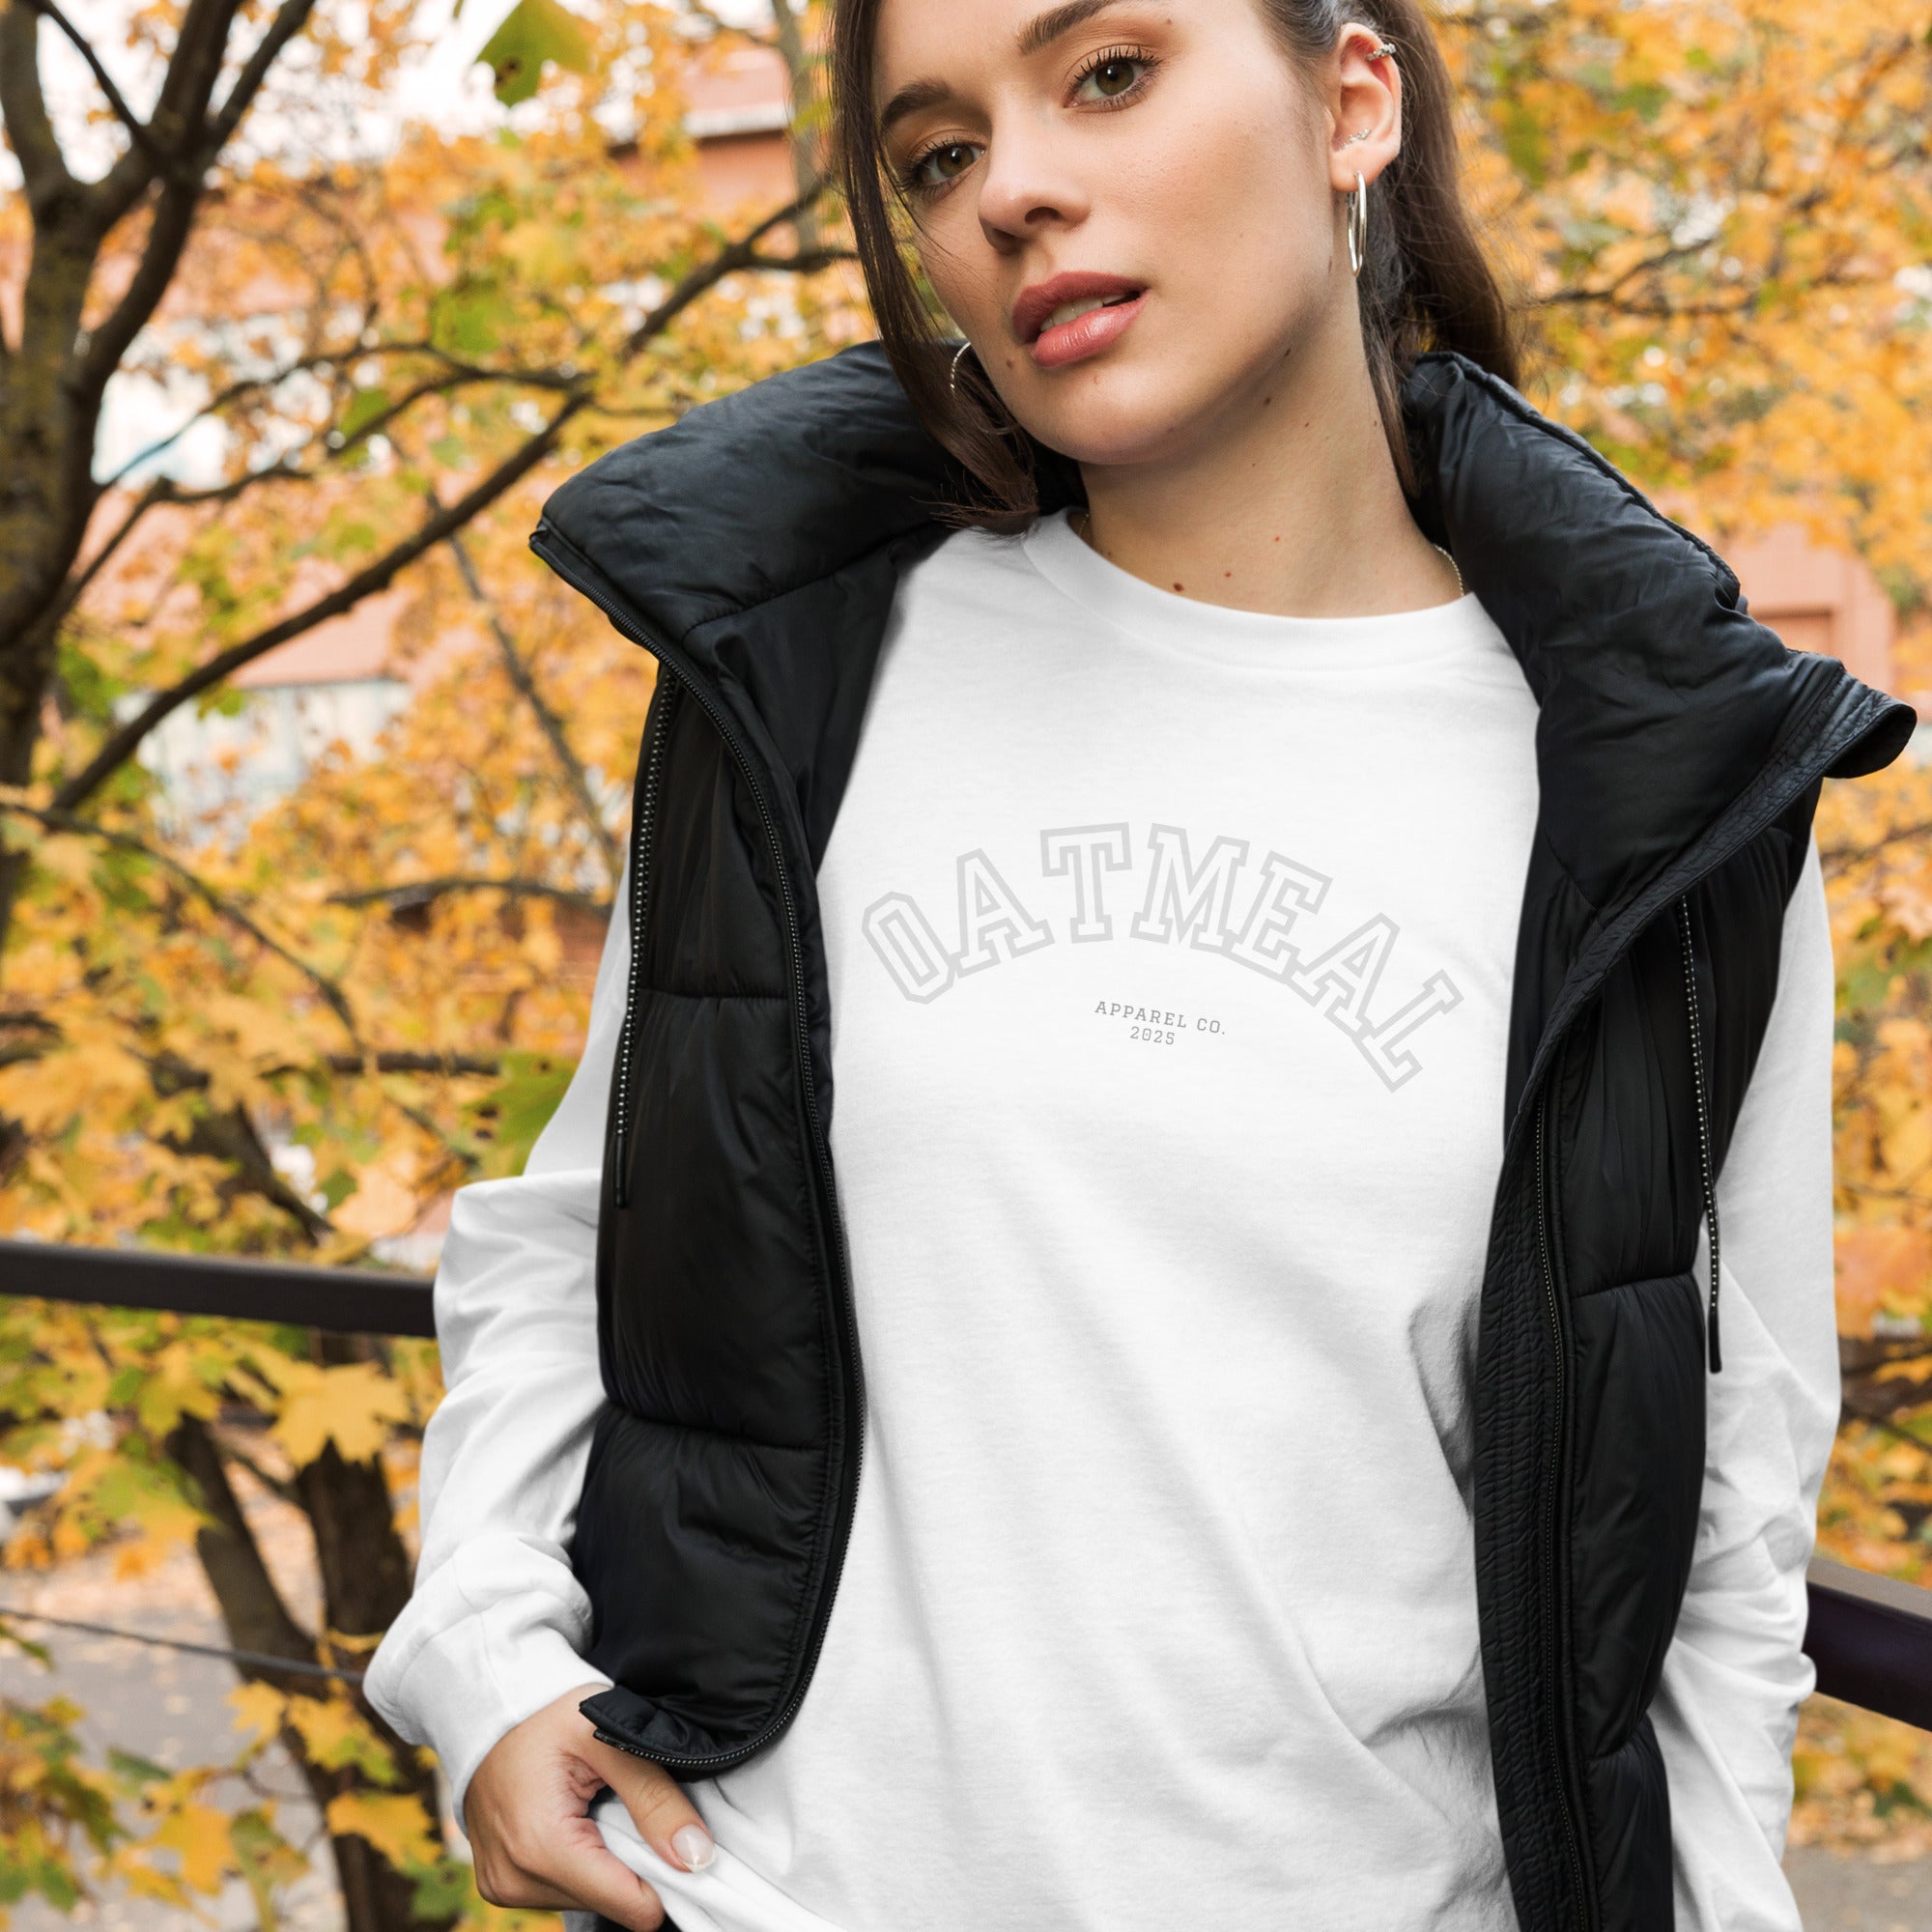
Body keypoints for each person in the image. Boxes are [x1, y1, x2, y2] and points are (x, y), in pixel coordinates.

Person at [365, 2, 1915, 1927]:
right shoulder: (804, 675)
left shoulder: (1672, 791)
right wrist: (485, 1657)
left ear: (1352, 102)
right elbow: (582, 1236)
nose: (1011, 188)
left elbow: (1721, 1527)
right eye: (936, 154)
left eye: (1106, 74)